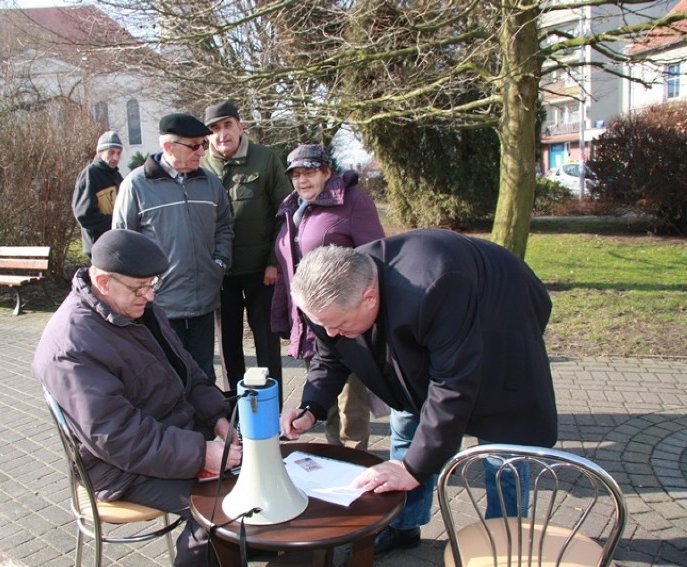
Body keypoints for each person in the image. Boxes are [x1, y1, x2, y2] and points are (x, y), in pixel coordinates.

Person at [279, 232, 557, 555]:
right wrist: (311, 406)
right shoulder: (331, 294)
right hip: (434, 317)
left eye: (337, 324)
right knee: (407, 425)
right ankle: (404, 524)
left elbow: (451, 386)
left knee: (500, 450)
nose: (329, 333)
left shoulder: (435, 288)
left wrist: (411, 469)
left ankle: (504, 541)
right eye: (322, 325)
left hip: (500, 316)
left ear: (369, 298)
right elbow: (331, 353)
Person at [32, 229, 241, 567]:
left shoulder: (137, 306)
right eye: (139, 287)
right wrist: (201, 453)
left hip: (171, 438)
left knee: (256, 483)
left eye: (152, 284)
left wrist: (218, 418)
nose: (150, 296)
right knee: (224, 510)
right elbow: (116, 437)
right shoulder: (70, 347)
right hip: (119, 468)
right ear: (102, 282)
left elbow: (189, 374)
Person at [271, 143, 384, 450]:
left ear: (327, 172)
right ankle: (334, 462)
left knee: (351, 406)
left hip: (347, 318)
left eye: (309, 172)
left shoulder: (353, 203)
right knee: (324, 398)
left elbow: (377, 260)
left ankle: (356, 463)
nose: (302, 180)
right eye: (295, 174)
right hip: (309, 322)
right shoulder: (290, 209)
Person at [113, 113, 234, 384]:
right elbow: (121, 245)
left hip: (204, 301)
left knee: (203, 377)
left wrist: (219, 263)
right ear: (169, 147)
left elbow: (225, 226)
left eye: (204, 144)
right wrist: (145, 287)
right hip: (160, 306)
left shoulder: (210, 183)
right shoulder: (136, 185)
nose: (202, 152)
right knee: (166, 380)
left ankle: (206, 426)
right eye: (194, 146)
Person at [200, 101, 291, 402]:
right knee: (228, 344)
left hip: (260, 272)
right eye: (214, 129)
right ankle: (236, 407)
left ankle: (271, 404)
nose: (222, 134)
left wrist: (273, 263)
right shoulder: (200, 167)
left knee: (266, 340)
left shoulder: (265, 159)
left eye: (227, 126)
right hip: (220, 273)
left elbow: (285, 213)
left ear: (240, 127)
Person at [72, 130, 124, 258]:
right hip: (98, 246)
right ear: (99, 153)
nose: (116, 158)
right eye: (111, 152)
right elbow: (84, 215)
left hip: (115, 244)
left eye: (118, 153)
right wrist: (116, 223)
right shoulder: (90, 174)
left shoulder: (116, 175)